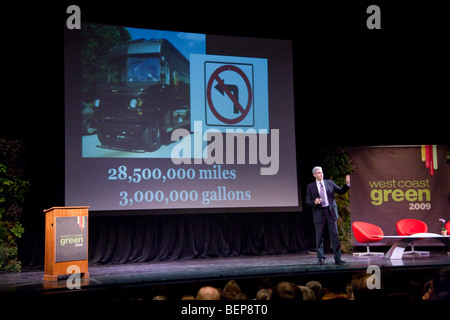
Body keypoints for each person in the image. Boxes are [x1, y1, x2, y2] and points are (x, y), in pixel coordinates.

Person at [305, 166, 350, 265]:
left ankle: (338, 258)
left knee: (334, 236)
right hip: (319, 212)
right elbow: (307, 201)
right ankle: (321, 259)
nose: (320, 174)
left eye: (321, 172)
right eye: (318, 173)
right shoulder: (310, 186)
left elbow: (341, 191)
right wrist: (314, 202)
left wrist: (347, 185)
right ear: (314, 175)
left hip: (330, 212)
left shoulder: (329, 183)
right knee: (319, 237)